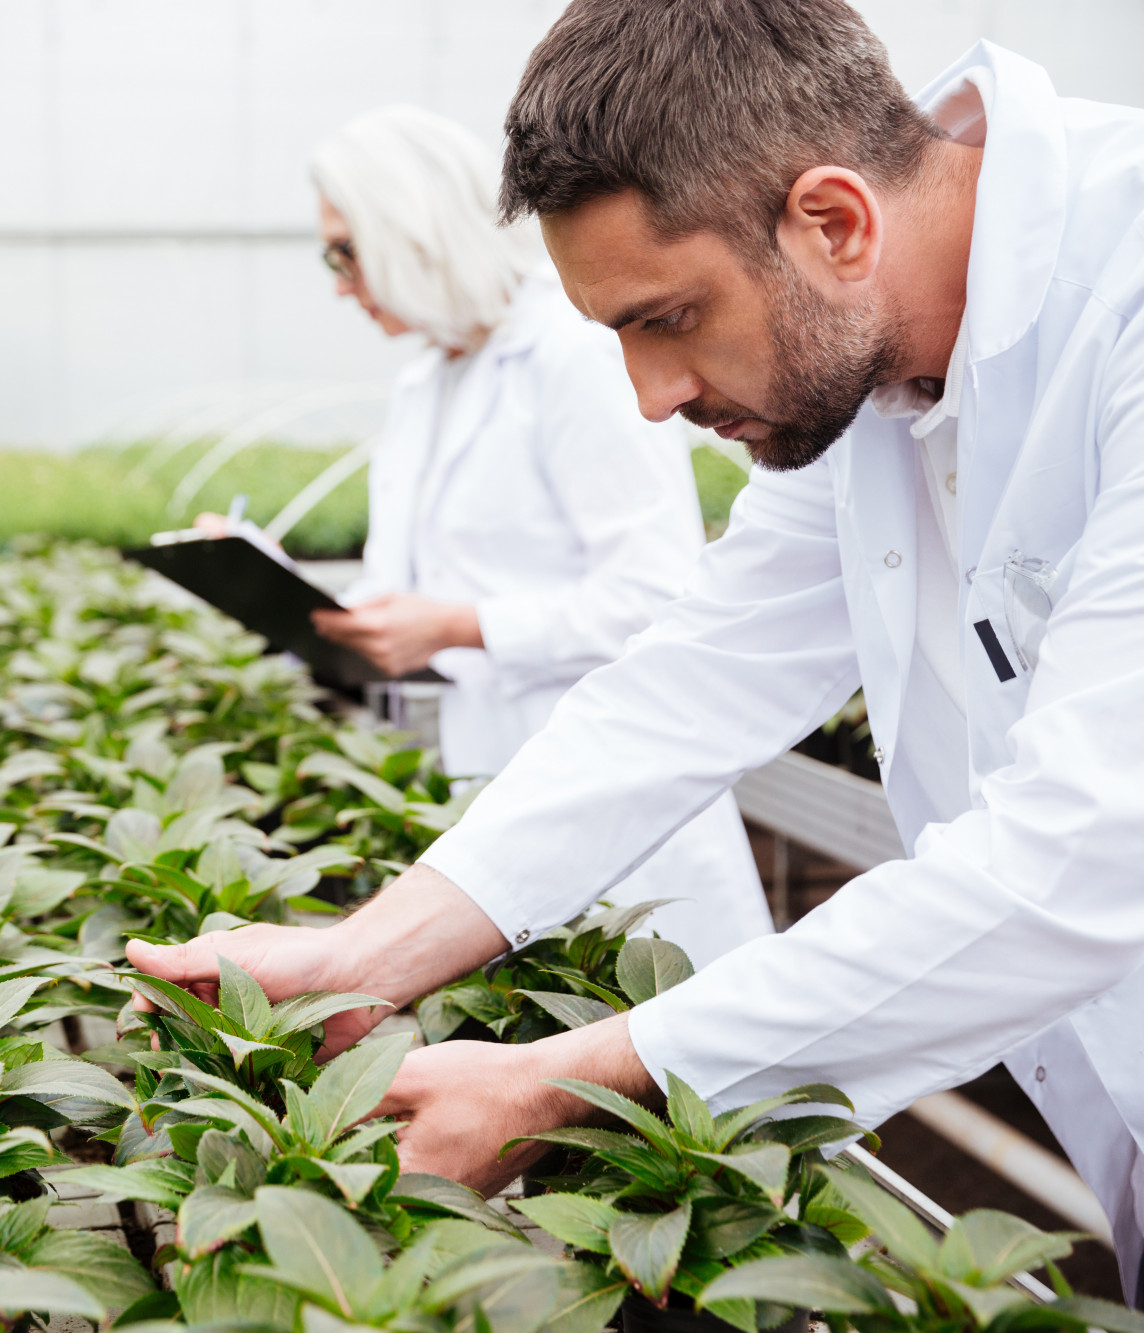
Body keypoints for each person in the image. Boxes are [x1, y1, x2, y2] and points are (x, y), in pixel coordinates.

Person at [134, 0, 1144, 1300]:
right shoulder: (862, 368)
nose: (649, 396)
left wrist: (578, 1074)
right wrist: (367, 950)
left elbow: (1084, 848)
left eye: (663, 318)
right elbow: (693, 677)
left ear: (833, 222)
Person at [220, 105, 774, 966]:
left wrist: (455, 626)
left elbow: (656, 595)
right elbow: (411, 588)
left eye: (345, 251)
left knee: (661, 1053)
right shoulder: (426, 384)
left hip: (616, 784)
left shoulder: (574, 353)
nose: (339, 282)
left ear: (412, 233)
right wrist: (276, 587)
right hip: (495, 785)